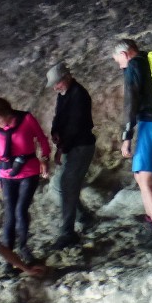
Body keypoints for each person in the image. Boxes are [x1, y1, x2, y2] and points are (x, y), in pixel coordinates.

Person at [112, 38, 152, 251]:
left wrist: (126, 136)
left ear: (125, 54)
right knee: (142, 177)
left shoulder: (134, 66)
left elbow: (131, 102)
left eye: (118, 61)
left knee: (145, 180)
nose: (119, 66)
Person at [0, 97, 50, 264]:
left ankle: (23, 247)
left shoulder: (26, 119)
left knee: (20, 210)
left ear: (7, 113)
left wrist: (44, 158)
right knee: (9, 214)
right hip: (8, 174)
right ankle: (9, 257)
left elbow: (42, 139)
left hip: (28, 172)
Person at [45, 62, 97, 249]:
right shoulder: (64, 94)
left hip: (81, 147)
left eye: (57, 83)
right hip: (71, 146)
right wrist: (55, 132)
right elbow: (58, 118)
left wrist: (61, 149)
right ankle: (84, 216)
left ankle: (68, 232)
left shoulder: (79, 95)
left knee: (67, 185)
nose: (55, 87)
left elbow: (75, 127)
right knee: (64, 185)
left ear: (66, 77)